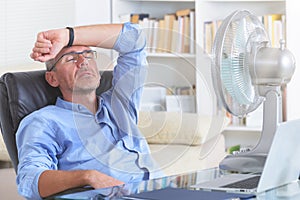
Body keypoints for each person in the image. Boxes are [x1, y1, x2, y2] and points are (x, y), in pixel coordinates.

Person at [16, 22, 163, 200]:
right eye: (71, 59)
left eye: (88, 55)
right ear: (52, 78)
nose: (83, 62)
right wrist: (88, 176)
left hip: (163, 191)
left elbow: (135, 39)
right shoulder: (44, 121)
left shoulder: (120, 103)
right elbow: (29, 181)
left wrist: (67, 36)